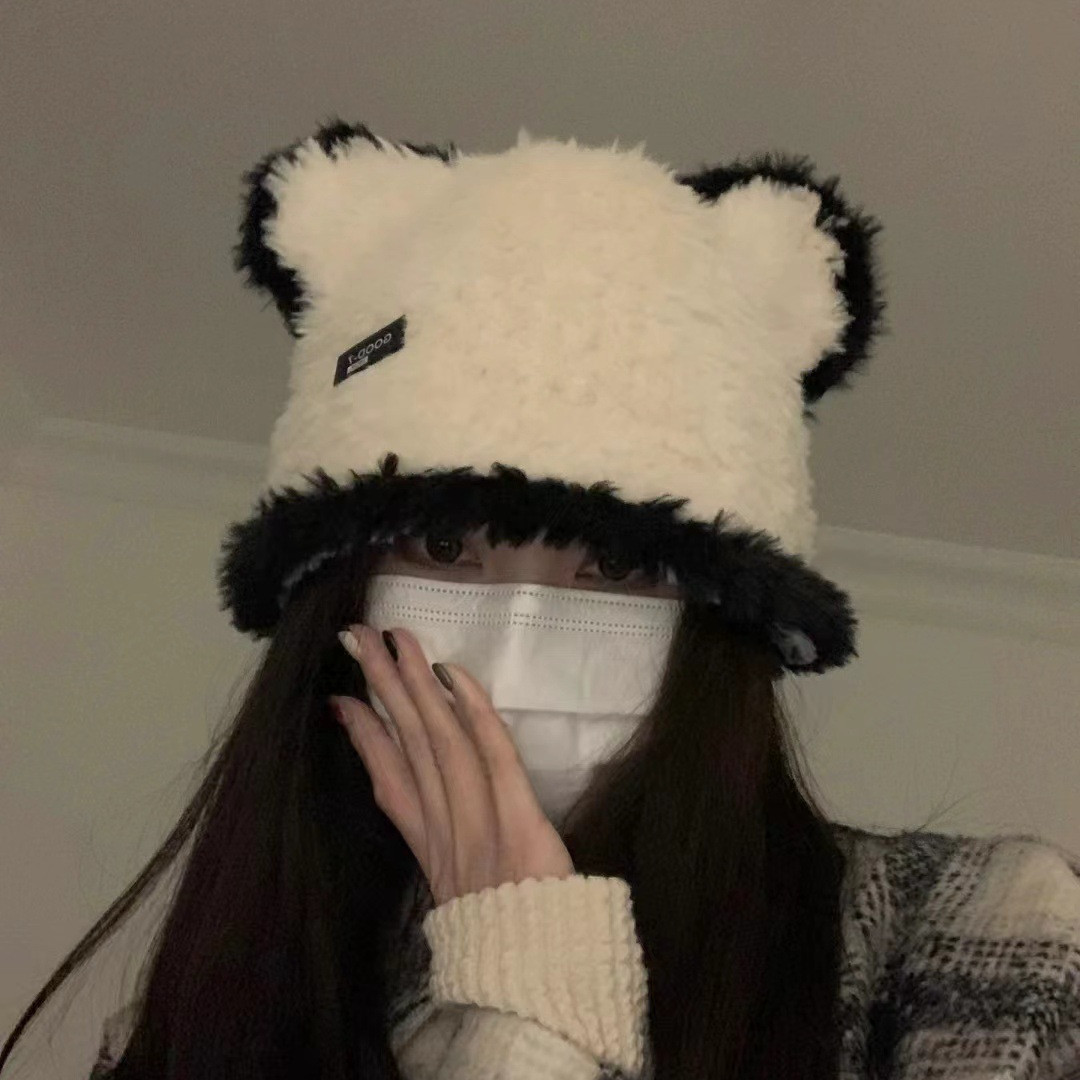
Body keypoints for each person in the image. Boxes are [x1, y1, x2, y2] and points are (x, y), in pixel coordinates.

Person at [2, 120, 1078, 1080]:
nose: (510, 655)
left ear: (718, 621)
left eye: (615, 566)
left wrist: (529, 990)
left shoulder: (982, 933)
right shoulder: (197, 1022)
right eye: (442, 546)